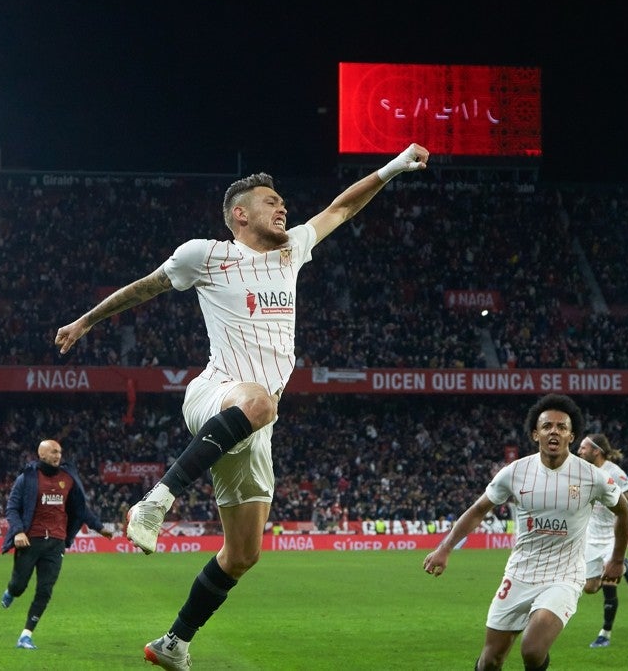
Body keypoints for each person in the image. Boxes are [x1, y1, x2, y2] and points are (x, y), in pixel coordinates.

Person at [54, 143, 429, 669]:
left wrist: (392, 168)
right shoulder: (204, 254)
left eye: (283, 202)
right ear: (240, 213)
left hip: (255, 422)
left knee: (244, 553)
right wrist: (87, 321)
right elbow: (146, 288)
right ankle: (155, 502)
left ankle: (175, 642)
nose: (284, 209)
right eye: (272, 201)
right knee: (259, 400)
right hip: (217, 390)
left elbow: (342, 207)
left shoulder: (291, 249)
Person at [422, 394, 628, 671]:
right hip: (520, 573)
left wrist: (617, 559)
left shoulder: (592, 477)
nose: (553, 431)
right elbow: (478, 510)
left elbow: (624, 511)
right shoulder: (515, 472)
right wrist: (445, 548)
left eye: (561, 427)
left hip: (564, 575)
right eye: (546, 427)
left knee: (532, 650)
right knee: (490, 660)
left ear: (571, 436)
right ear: (536, 434)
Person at [1, 439, 112, 649]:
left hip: (56, 543)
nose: (58, 455)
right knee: (19, 585)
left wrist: (99, 527)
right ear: (41, 454)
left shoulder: (68, 479)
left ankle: (26, 635)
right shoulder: (26, 478)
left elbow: (80, 509)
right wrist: (18, 532)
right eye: (53, 452)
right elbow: (12, 508)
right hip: (29, 540)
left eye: (59, 452)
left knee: (45, 590)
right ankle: (11, 591)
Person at [576, 433, 628, 648]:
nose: (579, 451)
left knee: (608, 585)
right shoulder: (583, 472)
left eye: (583, 448)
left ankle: (604, 634)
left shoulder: (613, 472)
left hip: (614, 538)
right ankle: (624, 566)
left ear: (596, 451)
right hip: (592, 538)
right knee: (589, 587)